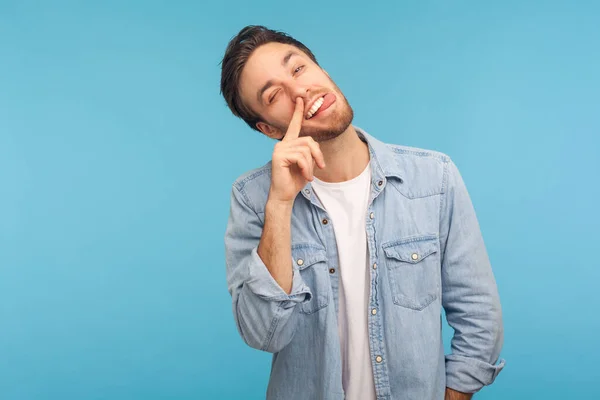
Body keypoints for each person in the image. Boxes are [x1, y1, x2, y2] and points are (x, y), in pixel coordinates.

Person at [221, 25, 505, 400]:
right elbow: (264, 333)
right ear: (269, 129)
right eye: (275, 96)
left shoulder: (433, 178)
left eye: (298, 68)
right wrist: (280, 203)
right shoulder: (253, 198)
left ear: (320, 69)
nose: (300, 91)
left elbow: (479, 316)